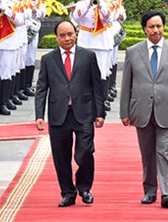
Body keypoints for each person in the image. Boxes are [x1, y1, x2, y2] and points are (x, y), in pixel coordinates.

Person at [120, 10, 168, 208]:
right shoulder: (133, 52)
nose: (156, 30)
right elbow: (126, 84)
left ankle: (167, 192)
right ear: (144, 29)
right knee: (147, 153)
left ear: (164, 27)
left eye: (159, 26)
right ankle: (149, 191)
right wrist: (124, 112)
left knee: (164, 152)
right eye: (151, 26)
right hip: (141, 111)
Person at [35, 20, 105, 207]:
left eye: (70, 34)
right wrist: (39, 115)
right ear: (56, 37)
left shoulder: (88, 56)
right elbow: (42, 88)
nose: (67, 38)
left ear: (76, 34)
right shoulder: (48, 59)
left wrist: (100, 113)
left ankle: (84, 188)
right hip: (59, 115)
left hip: (83, 113)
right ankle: (68, 193)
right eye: (62, 35)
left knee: (84, 153)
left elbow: (97, 86)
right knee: (61, 157)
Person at [18, 0, 46, 96]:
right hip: (19, 26)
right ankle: (19, 87)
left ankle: (28, 85)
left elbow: (43, 12)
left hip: (32, 28)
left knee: (30, 57)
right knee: (19, 57)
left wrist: (36, 11)